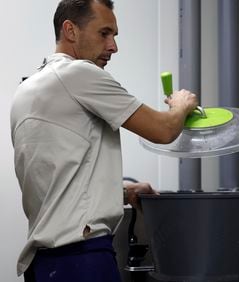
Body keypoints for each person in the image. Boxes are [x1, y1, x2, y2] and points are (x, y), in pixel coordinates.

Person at [10, 0, 198, 281]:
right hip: (82, 258)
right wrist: (181, 106)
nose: (113, 46)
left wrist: (121, 191)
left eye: (114, 36)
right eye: (104, 33)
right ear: (70, 30)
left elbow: (59, 181)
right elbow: (164, 130)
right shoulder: (78, 74)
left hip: (44, 265)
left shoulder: (27, 89)